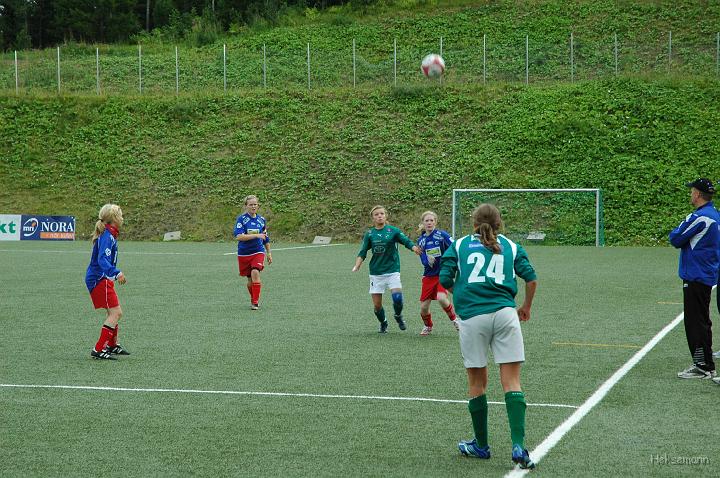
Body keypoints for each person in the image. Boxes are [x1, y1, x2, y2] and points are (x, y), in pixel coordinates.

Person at [439, 203, 537, 469]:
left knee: (477, 383)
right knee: (512, 381)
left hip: (472, 318)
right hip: (505, 314)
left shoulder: (459, 245)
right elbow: (531, 278)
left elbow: (445, 280)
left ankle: (481, 446)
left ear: (473, 223)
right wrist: (526, 307)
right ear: (499, 223)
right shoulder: (511, 246)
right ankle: (518, 445)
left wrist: (461, 287)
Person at [669, 178, 720, 380]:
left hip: (696, 274)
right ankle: (706, 364)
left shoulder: (700, 217)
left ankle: (703, 366)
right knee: (702, 320)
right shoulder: (715, 214)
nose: (691, 194)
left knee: (695, 322)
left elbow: (675, 238)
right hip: (706, 273)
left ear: (698, 194)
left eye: (692, 191)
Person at [352, 205, 421, 333]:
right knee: (377, 306)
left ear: (386, 215)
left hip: (392, 270)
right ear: (373, 218)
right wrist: (357, 265)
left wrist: (414, 248)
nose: (379, 216)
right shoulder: (370, 234)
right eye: (376, 214)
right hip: (376, 273)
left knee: (397, 297)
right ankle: (383, 322)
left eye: (382, 214)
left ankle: (398, 316)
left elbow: (406, 241)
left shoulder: (393, 231)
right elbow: (362, 252)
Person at [85, 204, 129, 360]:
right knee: (116, 313)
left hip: (103, 278)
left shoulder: (109, 234)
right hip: (99, 278)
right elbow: (102, 259)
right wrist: (116, 273)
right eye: (120, 215)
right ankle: (98, 349)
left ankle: (111, 345)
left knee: (112, 312)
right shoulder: (107, 236)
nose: (122, 217)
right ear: (114, 219)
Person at [416, 211, 458, 335]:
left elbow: (455, 246)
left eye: (431, 220)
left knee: (441, 298)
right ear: (423, 223)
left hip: (443, 273)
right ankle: (428, 325)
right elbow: (422, 258)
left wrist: (449, 261)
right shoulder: (421, 240)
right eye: (427, 221)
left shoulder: (442, 235)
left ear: (435, 222)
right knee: (423, 308)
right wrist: (426, 260)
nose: (429, 223)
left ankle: (455, 320)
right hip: (429, 276)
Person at [234, 195, 272, 310]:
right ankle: (253, 298)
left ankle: (255, 302)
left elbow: (265, 238)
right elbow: (239, 237)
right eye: (251, 204)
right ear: (246, 206)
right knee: (250, 280)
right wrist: (256, 235)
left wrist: (269, 253)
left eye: (255, 204)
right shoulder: (241, 219)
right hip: (244, 253)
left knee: (255, 272)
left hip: (258, 251)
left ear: (258, 205)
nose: (253, 206)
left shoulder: (261, 220)